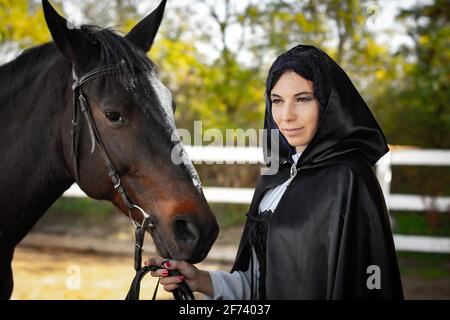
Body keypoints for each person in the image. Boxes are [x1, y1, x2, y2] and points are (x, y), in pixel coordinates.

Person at [146, 44, 404, 300]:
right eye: (277, 101)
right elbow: (260, 284)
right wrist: (201, 280)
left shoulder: (349, 178)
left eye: (302, 99)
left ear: (328, 103)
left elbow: (367, 285)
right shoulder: (275, 180)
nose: (286, 116)